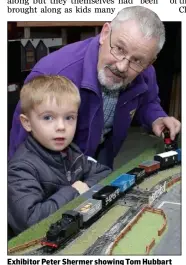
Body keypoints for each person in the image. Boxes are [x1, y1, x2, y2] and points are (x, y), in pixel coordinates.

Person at [9, 6, 181, 168]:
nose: (122, 67)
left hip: (99, 162)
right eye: (119, 49)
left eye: (137, 60)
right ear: (105, 34)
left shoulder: (145, 72)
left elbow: (148, 101)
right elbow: (21, 155)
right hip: (52, 173)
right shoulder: (53, 73)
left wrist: (156, 118)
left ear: (149, 62)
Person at [8, 75, 111, 236]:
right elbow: (30, 221)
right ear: (27, 123)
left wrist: (84, 186)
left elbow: (103, 173)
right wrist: (74, 191)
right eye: (48, 117)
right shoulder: (21, 168)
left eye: (69, 117)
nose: (61, 127)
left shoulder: (71, 151)